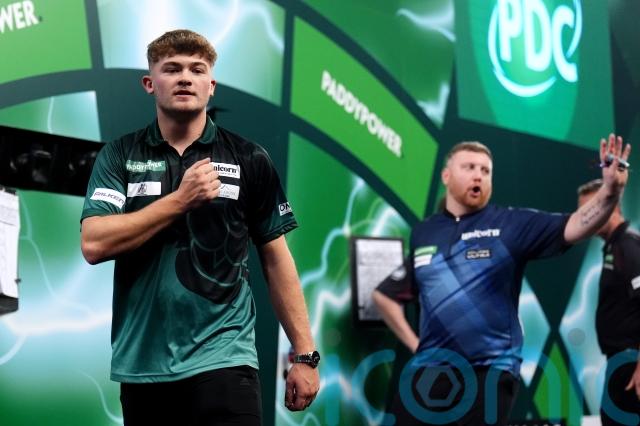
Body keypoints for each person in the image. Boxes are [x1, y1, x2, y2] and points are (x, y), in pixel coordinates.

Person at [80, 29, 319, 425]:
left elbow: (276, 259)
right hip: (143, 367)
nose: (185, 78)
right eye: (172, 69)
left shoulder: (249, 157)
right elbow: (94, 243)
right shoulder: (120, 155)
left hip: (225, 358)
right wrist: (180, 200)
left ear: (211, 85)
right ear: (150, 83)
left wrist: (306, 355)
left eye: (197, 69)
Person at [373, 137, 631, 425]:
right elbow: (387, 295)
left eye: (485, 170)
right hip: (429, 370)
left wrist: (611, 191)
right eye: (469, 167)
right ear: (446, 176)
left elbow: (575, 225)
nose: (478, 175)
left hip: (488, 371)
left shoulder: (510, 224)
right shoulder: (425, 233)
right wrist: (414, 343)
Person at [577, 179, 640, 426]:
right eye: (583, 211)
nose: (585, 217)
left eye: (591, 209)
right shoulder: (614, 247)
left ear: (612, 206)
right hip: (619, 362)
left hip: (631, 364)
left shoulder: (629, 247)